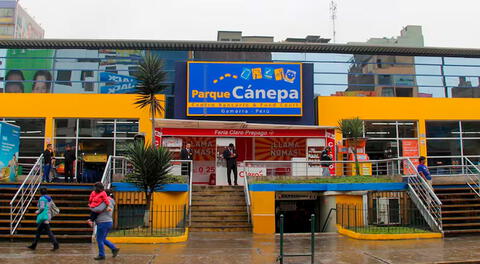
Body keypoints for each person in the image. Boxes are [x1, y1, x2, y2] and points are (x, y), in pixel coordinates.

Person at [94, 189, 120, 260]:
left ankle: (101, 254)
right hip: (108, 222)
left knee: (99, 239)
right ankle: (114, 248)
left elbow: (98, 209)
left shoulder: (104, 201)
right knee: (102, 238)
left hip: (103, 222)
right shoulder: (111, 201)